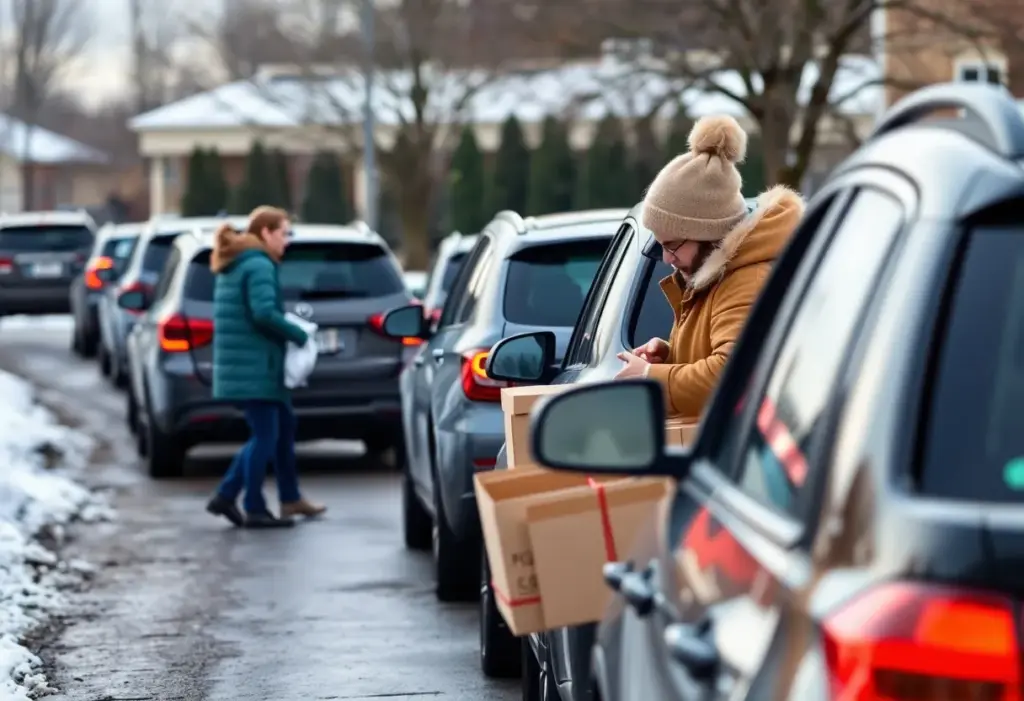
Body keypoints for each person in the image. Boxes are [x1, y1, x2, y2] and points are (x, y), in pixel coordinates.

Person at [616, 115, 805, 420]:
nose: (666, 259)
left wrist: (652, 375)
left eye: (672, 245)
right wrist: (667, 355)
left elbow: (731, 376)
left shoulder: (747, 279)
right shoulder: (715, 276)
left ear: (706, 233)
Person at [205, 206, 327, 528]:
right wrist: (298, 334)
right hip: (257, 366)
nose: (286, 241)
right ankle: (253, 506)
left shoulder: (241, 261)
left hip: (254, 364)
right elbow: (262, 313)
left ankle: (286, 498)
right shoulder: (258, 264)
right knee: (265, 436)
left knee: (282, 428)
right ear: (266, 233)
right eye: (283, 233)